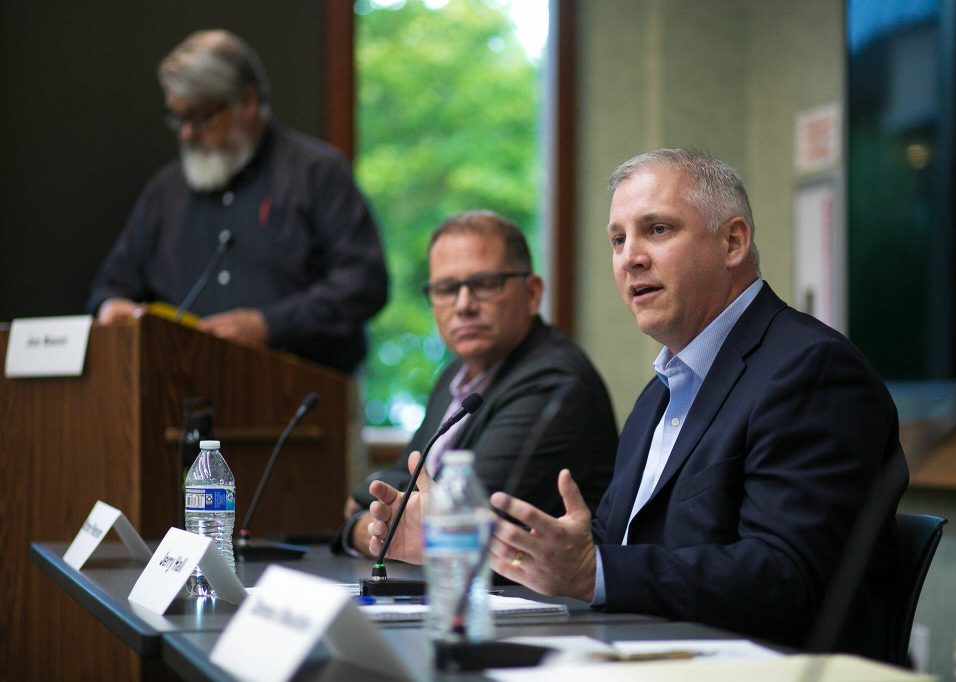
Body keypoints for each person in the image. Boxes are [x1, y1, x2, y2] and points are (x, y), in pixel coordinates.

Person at [365, 150, 908, 658]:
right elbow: (608, 547)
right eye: (618, 240)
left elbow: (788, 579)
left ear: (733, 243)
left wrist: (591, 569)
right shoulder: (661, 392)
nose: (631, 258)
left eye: (657, 230)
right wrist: (463, 548)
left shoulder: (811, 370)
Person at [87, 30, 387, 373]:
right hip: (182, 394)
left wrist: (269, 325)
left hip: (302, 395)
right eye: (177, 117)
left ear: (247, 102)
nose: (186, 133)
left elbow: (364, 281)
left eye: (200, 116)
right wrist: (113, 307)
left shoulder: (317, 174)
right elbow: (112, 286)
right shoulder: (164, 193)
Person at [337, 210, 617, 557]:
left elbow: (460, 522)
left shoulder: (555, 382)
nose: (464, 305)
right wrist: (371, 520)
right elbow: (401, 479)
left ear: (532, 293)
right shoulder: (455, 375)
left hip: (533, 603)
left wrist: (359, 527)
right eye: (446, 288)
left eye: (484, 284)